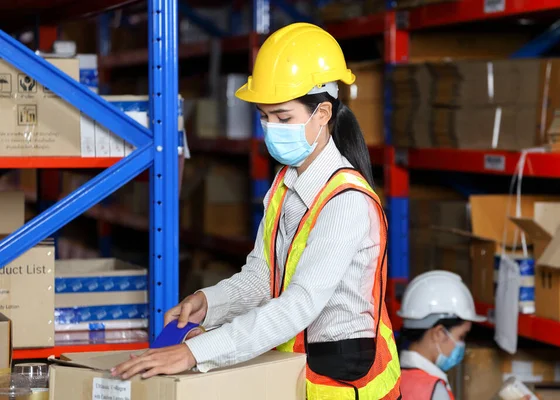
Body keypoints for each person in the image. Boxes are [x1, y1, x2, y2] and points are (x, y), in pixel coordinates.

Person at [112, 22, 402, 399]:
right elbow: (261, 278)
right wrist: (209, 304)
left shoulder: (346, 201)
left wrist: (195, 352)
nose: (270, 128)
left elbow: (300, 304)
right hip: (297, 372)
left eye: (283, 118)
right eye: (265, 117)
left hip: (345, 383)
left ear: (323, 114)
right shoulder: (285, 184)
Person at [398, 271, 530, 400]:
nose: (462, 346)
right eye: (461, 336)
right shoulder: (433, 389)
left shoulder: (393, 377)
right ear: (439, 333)